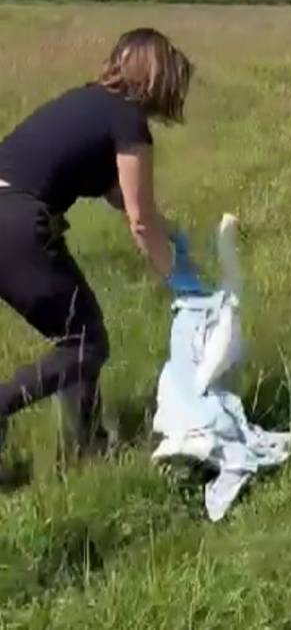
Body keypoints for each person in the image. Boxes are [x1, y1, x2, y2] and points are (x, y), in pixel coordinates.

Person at [0, 28, 205, 462]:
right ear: (159, 79)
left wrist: (172, 232)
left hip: (7, 211)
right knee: (87, 344)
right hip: (13, 221)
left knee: (78, 332)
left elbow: (120, 197)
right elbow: (140, 220)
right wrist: (183, 282)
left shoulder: (88, 103)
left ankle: (87, 449)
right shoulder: (128, 121)